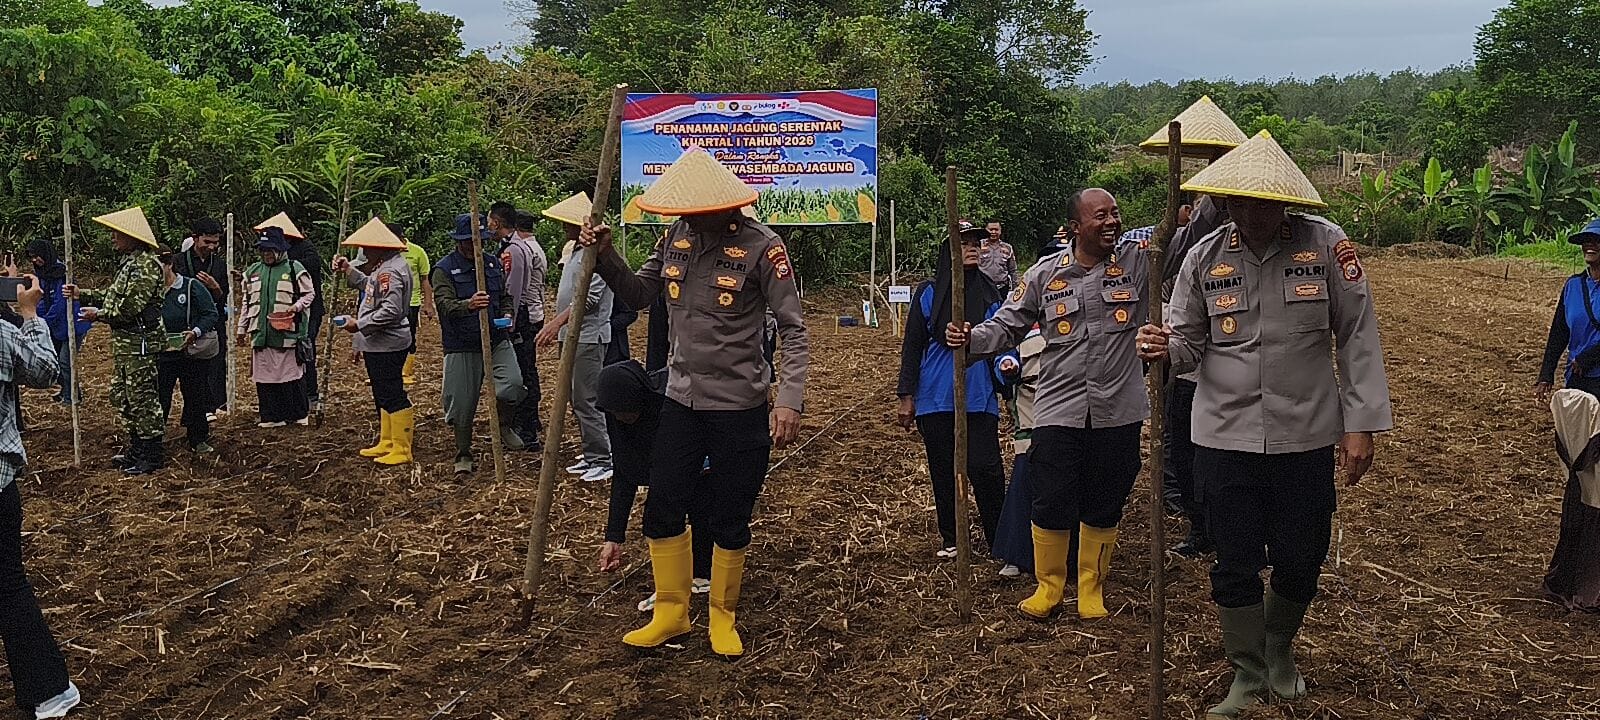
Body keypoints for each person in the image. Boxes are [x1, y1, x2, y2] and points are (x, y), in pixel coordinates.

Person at [1137, 130, 1393, 717]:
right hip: (1223, 437)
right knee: (1233, 558)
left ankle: (1281, 652)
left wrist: (1362, 425)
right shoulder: (1203, 257)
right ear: (1225, 201)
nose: (1252, 213)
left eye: (1264, 202)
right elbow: (1187, 348)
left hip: (1305, 434)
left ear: (1286, 201)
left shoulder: (1327, 248)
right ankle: (1247, 673)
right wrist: (1159, 346)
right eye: (1240, 202)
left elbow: (1357, 337)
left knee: (1303, 553)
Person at [581, 146, 808, 657]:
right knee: (663, 505)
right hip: (680, 399)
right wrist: (604, 255)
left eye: (695, 210)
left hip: (740, 406)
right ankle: (671, 613)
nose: (688, 217)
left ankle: (721, 616)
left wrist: (788, 399)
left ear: (724, 206)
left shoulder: (763, 248)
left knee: (729, 513)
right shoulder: (674, 238)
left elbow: (793, 330)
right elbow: (639, 296)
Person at [948, 188, 1149, 622]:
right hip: (1060, 408)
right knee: (1051, 495)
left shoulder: (1138, 260)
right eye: (1101, 216)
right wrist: (970, 340)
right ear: (1076, 228)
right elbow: (1007, 324)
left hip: (1119, 407)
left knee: (1105, 496)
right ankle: (1049, 587)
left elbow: (1187, 233)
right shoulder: (1044, 275)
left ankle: (1091, 589)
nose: (1112, 221)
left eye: (1116, 212)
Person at [1140, 95, 1249, 557]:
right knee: (1184, 449)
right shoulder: (1193, 231)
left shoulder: (1250, 232)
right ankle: (1200, 526)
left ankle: (1227, 530)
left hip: (1233, 358)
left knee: (1227, 454)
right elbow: (1170, 262)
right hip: (1187, 354)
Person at [896, 220, 1011, 560]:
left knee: (987, 470)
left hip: (977, 396)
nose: (972, 246)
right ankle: (952, 539)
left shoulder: (992, 292)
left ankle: (999, 541)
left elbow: (1004, 338)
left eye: (975, 241)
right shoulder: (929, 292)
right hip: (935, 397)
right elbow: (913, 345)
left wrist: (1007, 367)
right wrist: (907, 395)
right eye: (964, 242)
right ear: (949, 250)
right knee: (944, 471)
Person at [0, 275, 81, 718]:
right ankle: (49, 689)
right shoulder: (3, 333)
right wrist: (29, 314)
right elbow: (46, 371)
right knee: (9, 585)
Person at [596, 360, 714, 610]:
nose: (622, 418)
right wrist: (614, 537)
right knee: (660, 515)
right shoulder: (617, 416)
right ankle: (669, 588)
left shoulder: (670, 402)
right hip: (664, 464)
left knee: (701, 507)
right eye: (615, 413)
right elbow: (624, 472)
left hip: (696, 457)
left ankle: (702, 574)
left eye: (626, 412)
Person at [65, 207, 167, 474]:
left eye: (117, 233)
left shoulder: (145, 266)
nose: (112, 237)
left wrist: (97, 315)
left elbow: (128, 308)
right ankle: (137, 449)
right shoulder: (130, 264)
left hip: (140, 344)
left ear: (131, 236)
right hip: (126, 345)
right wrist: (82, 294)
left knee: (142, 397)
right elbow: (113, 296)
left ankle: (152, 453)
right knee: (123, 396)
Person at [1535, 218, 1600, 612]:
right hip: (1578, 393)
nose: (1588, 246)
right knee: (1578, 479)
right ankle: (1570, 573)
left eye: (1595, 241)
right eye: (1586, 241)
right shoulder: (1573, 287)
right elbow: (1558, 332)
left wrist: (1588, 357)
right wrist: (1545, 375)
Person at [432, 213, 527, 474]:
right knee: (461, 404)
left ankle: (503, 424)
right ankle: (463, 452)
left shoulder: (493, 264)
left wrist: (507, 315)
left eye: (479, 242)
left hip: (496, 339)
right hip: (462, 343)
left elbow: (506, 297)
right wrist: (469, 305)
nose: (474, 248)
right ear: (458, 242)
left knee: (513, 386)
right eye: (468, 242)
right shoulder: (443, 270)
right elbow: (444, 305)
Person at [537, 193, 616, 484]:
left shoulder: (595, 255)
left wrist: (553, 325)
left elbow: (589, 300)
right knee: (574, 396)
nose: (563, 229)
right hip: (572, 335)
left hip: (588, 336)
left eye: (566, 223)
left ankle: (602, 458)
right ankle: (592, 452)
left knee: (588, 398)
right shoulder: (574, 252)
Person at [332, 218, 415, 465]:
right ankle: (388, 440)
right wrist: (349, 270)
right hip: (378, 343)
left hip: (388, 342)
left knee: (391, 392)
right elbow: (370, 287)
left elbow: (391, 310)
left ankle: (402, 447)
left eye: (368, 248)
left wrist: (359, 324)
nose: (364, 253)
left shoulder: (390, 271)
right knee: (382, 392)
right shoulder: (384, 267)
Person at [237, 226, 315, 428]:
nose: (266, 254)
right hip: (261, 333)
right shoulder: (253, 271)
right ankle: (271, 416)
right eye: (263, 250)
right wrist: (241, 329)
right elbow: (246, 302)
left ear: (280, 249)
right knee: (264, 376)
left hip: (287, 333)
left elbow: (310, 294)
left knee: (290, 374)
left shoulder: (294, 268)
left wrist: (296, 307)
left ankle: (298, 413)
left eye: (270, 250)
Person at [991, 325, 1046, 577]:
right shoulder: (1020, 315)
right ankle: (1016, 555)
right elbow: (1004, 354)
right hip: (1030, 419)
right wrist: (1007, 365)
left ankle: (1063, 561)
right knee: (1024, 485)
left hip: (1072, 413)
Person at [156, 250, 218, 454]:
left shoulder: (191, 287)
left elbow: (210, 314)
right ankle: (155, 439)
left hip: (190, 351)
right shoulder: (149, 291)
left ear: (169, 265)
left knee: (195, 395)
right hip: (162, 352)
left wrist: (195, 332)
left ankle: (198, 438)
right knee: (159, 396)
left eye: (158, 267)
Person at [260, 213, 324, 410]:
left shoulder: (305, 249)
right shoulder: (268, 260)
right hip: (282, 310)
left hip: (308, 310)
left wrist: (287, 264)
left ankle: (311, 393)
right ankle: (289, 397)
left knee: (304, 349)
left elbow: (313, 265)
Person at [22, 239, 90, 405]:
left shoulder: (62, 273)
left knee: (65, 362)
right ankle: (68, 390)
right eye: (31, 257)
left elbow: (61, 304)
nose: (34, 260)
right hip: (54, 327)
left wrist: (43, 321)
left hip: (71, 323)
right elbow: (41, 299)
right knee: (55, 362)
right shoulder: (42, 274)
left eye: (36, 256)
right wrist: (38, 317)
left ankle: (72, 398)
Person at [174, 218, 230, 418]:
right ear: (195, 239)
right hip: (186, 322)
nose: (212, 247)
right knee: (189, 368)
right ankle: (195, 410)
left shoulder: (220, 265)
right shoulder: (178, 262)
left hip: (213, 322)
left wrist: (216, 288)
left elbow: (226, 296)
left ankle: (216, 404)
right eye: (207, 242)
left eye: (215, 242)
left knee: (216, 362)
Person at [508, 209, 548, 447]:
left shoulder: (523, 250)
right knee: (528, 369)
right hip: (535, 312)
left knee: (526, 371)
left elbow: (515, 288)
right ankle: (531, 419)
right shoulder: (536, 248)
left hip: (527, 316)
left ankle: (529, 423)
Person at [397, 224, 435, 387]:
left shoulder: (417, 252)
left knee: (409, 336)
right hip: (390, 303)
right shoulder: (385, 253)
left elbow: (425, 279)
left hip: (411, 302)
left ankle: (407, 370)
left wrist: (428, 304)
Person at [979, 220, 1018, 292]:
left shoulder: (1007, 248)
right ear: (986, 230)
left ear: (1000, 231)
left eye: (996, 230)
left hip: (1002, 288)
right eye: (991, 230)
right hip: (983, 287)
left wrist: (1015, 289)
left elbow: (1013, 270)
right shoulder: (979, 245)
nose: (993, 232)